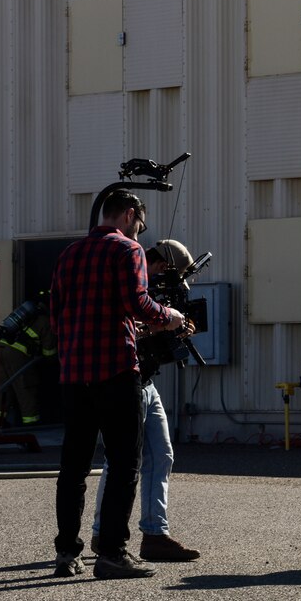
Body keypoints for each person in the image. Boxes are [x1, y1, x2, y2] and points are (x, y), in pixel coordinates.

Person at [50, 191, 185, 580]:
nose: (139, 233)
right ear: (129, 215)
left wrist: (73, 351)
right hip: (115, 370)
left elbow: (57, 315)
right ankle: (111, 553)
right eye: (139, 226)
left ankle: (66, 553)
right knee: (125, 462)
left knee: (73, 467)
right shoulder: (128, 251)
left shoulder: (69, 254)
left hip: (74, 373)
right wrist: (170, 317)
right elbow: (137, 302)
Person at [90, 240, 201, 563]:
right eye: (167, 272)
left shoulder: (151, 294)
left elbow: (152, 340)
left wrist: (175, 329)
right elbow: (124, 331)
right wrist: (159, 324)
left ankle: (155, 534)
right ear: (161, 264)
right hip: (126, 382)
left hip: (147, 383)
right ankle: (102, 532)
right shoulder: (130, 285)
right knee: (119, 461)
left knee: (161, 455)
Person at [0, 298, 57, 426]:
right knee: (26, 388)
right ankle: (31, 423)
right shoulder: (46, 321)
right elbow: (49, 351)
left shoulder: (25, 314)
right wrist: (52, 362)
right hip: (17, 355)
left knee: (4, 388)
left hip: (0, 349)